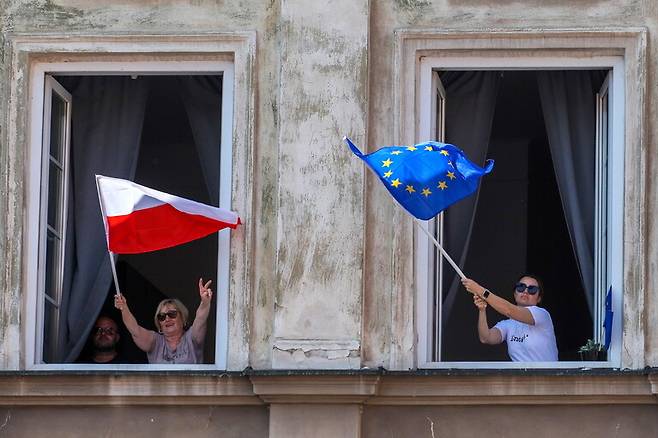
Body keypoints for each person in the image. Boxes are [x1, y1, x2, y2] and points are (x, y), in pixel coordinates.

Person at [114, 278, 213, 364]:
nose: (167, 319)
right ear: (159, 324)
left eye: (172, 314)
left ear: (183, 318)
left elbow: (200, 319)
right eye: (161, 316)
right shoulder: (155, 342)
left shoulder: (191, 338)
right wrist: (124, 308)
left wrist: (204, 302)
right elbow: (135, 330)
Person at [462, 274, 558, 362]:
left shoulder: (542, 314)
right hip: (523, 379)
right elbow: (486, 338)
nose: (525, 291)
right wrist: (482, 310)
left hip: (547, 378)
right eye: (521, 287)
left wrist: (479, 290)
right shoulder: (508, 324)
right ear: (515, 293)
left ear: (539, 298)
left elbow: (509, 310)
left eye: (532, 289)